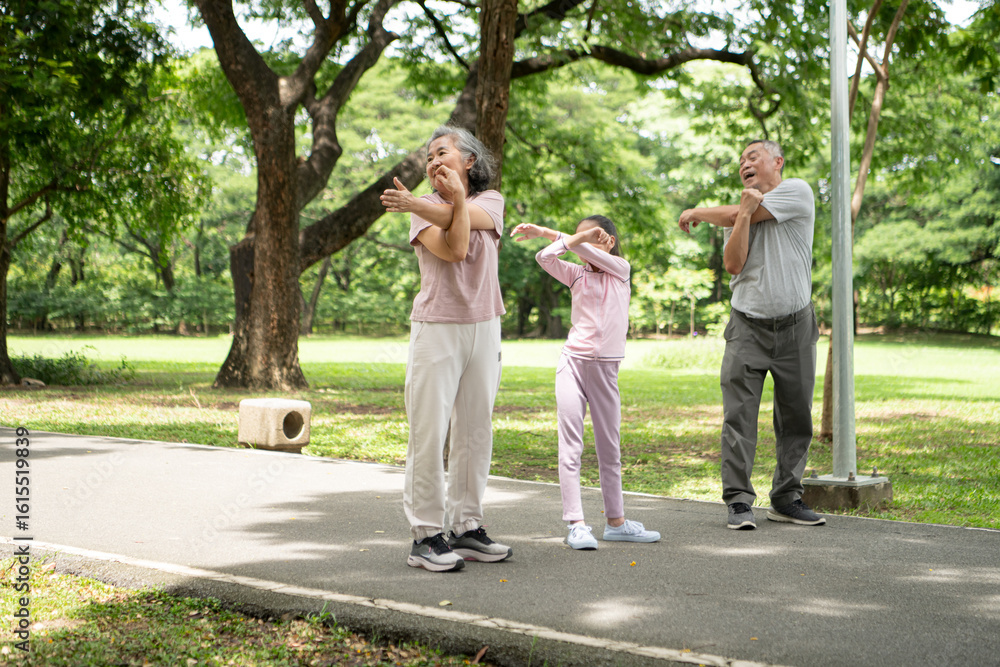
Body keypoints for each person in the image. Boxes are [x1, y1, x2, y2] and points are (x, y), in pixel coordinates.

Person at [380, 125, 512, 571]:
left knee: (476, 431)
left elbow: (464, 218)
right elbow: (455, 249)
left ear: (469, 160)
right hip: (437, 327)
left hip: (485, 326)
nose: (433, 161)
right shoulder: (424, 211)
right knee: (429, 431)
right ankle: (426, 535)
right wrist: (430, 205)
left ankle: (467, 527)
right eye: (429, 157)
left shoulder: (491, 201)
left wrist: (425, 203)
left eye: (442, 152)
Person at [678, 139, 826, 530]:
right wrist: (741, 215)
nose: (744, 163)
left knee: (796, 416)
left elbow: (738, 211)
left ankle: (787, 498)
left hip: (795, 327)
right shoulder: (739, 214)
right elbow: (733, 264)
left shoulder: (797, 191)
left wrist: (698, 211)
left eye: (753, 156)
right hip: (747, 327)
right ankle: (739, 501)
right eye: (741, 160)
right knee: (739, 417)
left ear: (777, 161)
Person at [510, 216, 660, 549]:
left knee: (610, 449)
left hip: (606, 371)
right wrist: (559, 236)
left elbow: (591, 253)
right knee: (570, 449)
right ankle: (576, 524)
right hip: (572, 366)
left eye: (593, 236)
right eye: (579, 238)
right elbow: (543, 257)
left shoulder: (621, 270)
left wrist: (556, 234)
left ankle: (616, 522)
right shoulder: (575, 274)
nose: (583, 244)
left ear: (610, 242)